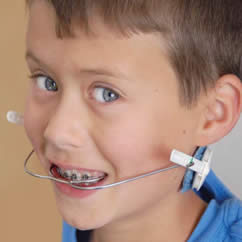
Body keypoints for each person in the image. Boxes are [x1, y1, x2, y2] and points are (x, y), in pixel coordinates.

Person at [24, 0, 242, 241]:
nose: (56, 132)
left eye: (107, 94)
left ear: (212, 113)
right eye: (47, 82)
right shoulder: (94, 203)